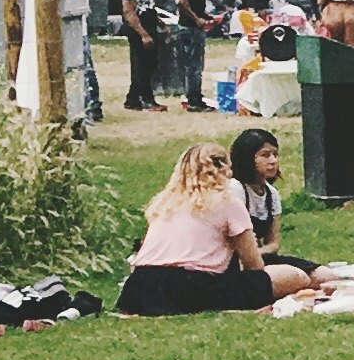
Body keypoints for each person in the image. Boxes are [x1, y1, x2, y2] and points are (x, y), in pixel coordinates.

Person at [117, 140, 313, 313]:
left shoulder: (165, 204)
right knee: (294, 276)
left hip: (138, 288)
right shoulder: (227, 202)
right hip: (191, 286)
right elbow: (254, 265)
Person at [227, 127, 291, 265]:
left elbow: (273, 243)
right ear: (248, 158)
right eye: (265, 155)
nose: (273, 161)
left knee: (323, 275)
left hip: (260, 257)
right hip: (237, 264)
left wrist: (259, 252)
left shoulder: (271, 193)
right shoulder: (236, 188)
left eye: (275, 154)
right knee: (297, 278)